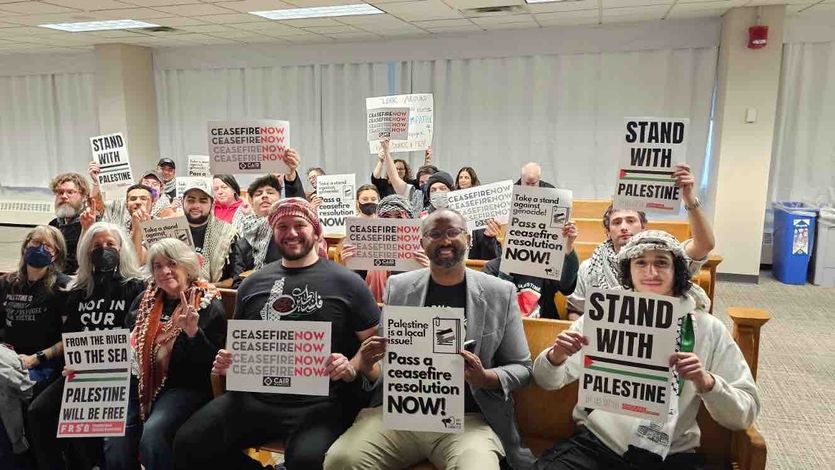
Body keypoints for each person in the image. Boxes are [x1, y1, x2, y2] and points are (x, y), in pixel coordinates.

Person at [174, 198, 380, 470]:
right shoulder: (253, 282)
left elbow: (374, 349)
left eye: (299, 225)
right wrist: (228, 360)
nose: (291, 232)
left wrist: (350, 366)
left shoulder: (347, 283)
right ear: (273, 232)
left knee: (307, 461)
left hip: (321, 403)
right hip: (253, 398)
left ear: (316, 231)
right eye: (282, 226)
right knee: (188, 444)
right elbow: (238, 344)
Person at [324, 208, 535, 470]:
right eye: (434, 234)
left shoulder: (499, 292)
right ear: (422, 242)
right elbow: (388, 370)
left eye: (453, 232)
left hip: (468, 420)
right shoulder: (399, 286)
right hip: (401, 414)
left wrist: (485, 378)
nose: (445, 241)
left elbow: (523, 369)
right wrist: (367, 365)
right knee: (341, 460)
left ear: (468, 238)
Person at [532, 230, 759, 469]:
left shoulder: (707, 328)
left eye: (661, 263)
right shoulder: (605, 315)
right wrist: (555, 357)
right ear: (629, 271)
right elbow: (545, 381)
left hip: (671, 455)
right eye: (641, 263)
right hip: (596, 445)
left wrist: (708, 383)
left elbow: (745, 413)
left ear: (677, 271)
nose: (651, 272)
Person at [27, 222, 146, 470]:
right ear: (86, 252)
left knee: (104, 437)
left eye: (110, 245)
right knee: (39, 411)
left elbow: (138, 335)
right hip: (81, 372)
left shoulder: (137, 286)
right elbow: (70, 332)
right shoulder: (78, 289)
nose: (104, 250)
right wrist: (70, 363)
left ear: (122, 248)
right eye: (97, 246)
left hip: (120, 375)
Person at [105, 238, 226, 470]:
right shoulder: (144, 301)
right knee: (115, 436)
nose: (165, 271)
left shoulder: (206, 303)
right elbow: (125, 346)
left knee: (152, 434)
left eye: (171, 263)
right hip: (138, 382)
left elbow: (210, 365)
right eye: (158, 266)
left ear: (187, 266)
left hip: (183, 386)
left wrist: (193, 334)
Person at [566, 163, 715, 319]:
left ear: (644, 227)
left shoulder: (666, 256)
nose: (624, 227)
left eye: (631, 221)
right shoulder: (589, 267)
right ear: (608, 232)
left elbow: (705, 245)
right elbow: (576, 311)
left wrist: (689, 198)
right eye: (617, 222)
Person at [0, 225, 68, 390]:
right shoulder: (6, 283)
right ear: (25, 247)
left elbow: (70, 337)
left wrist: (35, 358)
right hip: (7, 357)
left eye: (48, 246)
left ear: (55, 255)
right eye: (36, 242)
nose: (40, 248)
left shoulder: (63, 287)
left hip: (42, 364)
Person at [340, 194, 430, 302]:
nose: (392, 221)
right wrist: (348, 264)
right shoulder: (365, 246)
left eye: (399, 217)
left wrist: (429, 269)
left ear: (409, 220)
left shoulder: (422, 249)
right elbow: (353, 287)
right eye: (386, 217)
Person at [483, 221, 580, 319]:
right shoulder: (492, 267)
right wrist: (506, 269)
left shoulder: (546, 264)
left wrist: (568, 247)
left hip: (543, 328)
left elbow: (566, 286)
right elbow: (490, 303)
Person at [420, 170, 501, 260]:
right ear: (429, 197)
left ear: (451, 192)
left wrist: (488, 239)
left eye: (442, 189)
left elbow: (489, 257)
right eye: (433, 190)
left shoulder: (470, 218)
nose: (438, 192)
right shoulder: (423, 220)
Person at [179, 179, 239, 287]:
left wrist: (208, 287)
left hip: (212, 297)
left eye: (203, 201)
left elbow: (234, 278)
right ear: (182, 202)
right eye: (191, 200)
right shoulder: (169, 228)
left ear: (212, 204)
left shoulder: (227, 234)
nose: (196, 205)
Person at [49, 172, 92, 274]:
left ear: (84, 197)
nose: (64, 196)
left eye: (70, 192)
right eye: (60, 192)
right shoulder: (53, 225)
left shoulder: (91, 223)